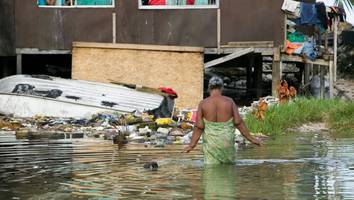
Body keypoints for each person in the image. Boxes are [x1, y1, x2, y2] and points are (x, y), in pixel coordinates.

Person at [183, 76, 261, 164]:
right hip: (226, 141)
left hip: (211, 144)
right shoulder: (229, 102)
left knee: (210, 168)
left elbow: (199, 126)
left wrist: (191, 145)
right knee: (228, 167)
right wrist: (252, 139)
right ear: (222, 87)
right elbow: (238, 122)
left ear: (209, 87)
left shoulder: (203, 103)